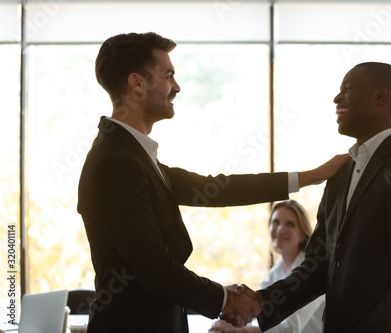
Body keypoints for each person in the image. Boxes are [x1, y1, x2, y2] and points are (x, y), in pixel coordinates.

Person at [77, 32, 349, 333]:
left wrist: (310, 176)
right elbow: (155, 270)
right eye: (168, 76)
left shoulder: (134, 155)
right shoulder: (115, 162)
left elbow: (218, 189)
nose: (176, 87)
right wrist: (226, 300)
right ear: (137, 84)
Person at [251, 62, 391, 332]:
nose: (337, 98)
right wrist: (260, 302)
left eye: (347, 89)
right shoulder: (339, 173)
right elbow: (317, 265)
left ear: (381, 96)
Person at [209, 200, 325, 333]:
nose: (280, 229)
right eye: (275, 222)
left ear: (303, 235)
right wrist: (231, 321)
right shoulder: (274, 273)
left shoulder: (313, 272)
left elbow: (291, 328)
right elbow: (257, 314)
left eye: (290, 224)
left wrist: (240, 330)